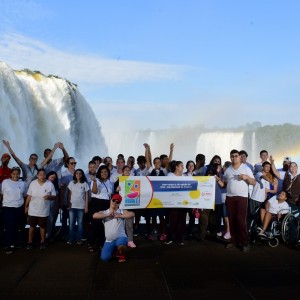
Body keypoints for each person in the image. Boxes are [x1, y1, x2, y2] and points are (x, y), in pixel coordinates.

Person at [217, 150, 256, 252]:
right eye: (232, 156)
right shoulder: (228, 170)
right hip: (230, 197)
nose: (234, 158)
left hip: (242, 197)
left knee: (240, 219)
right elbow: (224, 184)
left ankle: (245, 242)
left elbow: (254, 182)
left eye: (236, 156)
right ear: (230, 158)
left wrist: (246, 177)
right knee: (232, 219)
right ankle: (234, 241)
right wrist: (218, 180)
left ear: (239, 157)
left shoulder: (245, 168)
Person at [93, 194, 135, 263]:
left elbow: (132, 214)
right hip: (109, 240)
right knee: (104, 258)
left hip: (121, 238)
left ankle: (121, 253)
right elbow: (94, 215)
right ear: (111, 200)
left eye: (117, 202)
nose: (115, 203)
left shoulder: (121, 211)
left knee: (121, 244)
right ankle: (115, 251)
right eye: (113, 200)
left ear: (119, 203)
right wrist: (107, 215)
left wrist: (120, 216)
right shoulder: (105, 212)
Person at [25, 169, 56, 250]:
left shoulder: (50, 184)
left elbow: (54, 196)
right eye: (41, 174)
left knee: (43, 227)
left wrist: (49, 197)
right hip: (33, 210)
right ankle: (30, 242)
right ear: (37, 175)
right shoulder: (33, 183)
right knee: (32, 227)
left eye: (44, 174)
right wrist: (26, 206)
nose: (42, 176)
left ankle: (42, 241)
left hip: (44, 210)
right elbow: (29, 196)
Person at [0, 167, 26, 254]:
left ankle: (17, 243)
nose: (15, 175)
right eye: (14, 174)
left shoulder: (22, 183)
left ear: (20, 174)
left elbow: (24, 195)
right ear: (10, 174)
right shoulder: (5, 182)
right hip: (8, 207)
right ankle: (9, 245)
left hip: (19, 207)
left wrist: (25, 207)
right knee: (9, 226)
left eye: (17, 174)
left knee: (19, 226)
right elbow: (1, 194)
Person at [88, 165, 113, 252]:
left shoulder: (110, 183)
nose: (104, 173)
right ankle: (91, 243)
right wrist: (94, 181)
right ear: (99, 173)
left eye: (105, 172)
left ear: (108, 173)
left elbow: (110, 195)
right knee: (95, 224)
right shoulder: (96, 180)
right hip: (96, 203)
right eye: (102, 172)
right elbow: (94, 191)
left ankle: (101, 243)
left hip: (106, 204)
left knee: (103, 225)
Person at [165, 160, 186, 245]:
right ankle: (169, 238)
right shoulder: (170, 175)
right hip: (173, 203)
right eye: (181, 165)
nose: (183, 167)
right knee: (172, 222)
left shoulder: (185, 177)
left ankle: (180, 239)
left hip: (183, 203)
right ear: (176, 167)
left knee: (182, 222)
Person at [114, 165, 136, 248]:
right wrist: (116, 190)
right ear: (122, 172)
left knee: (129, 224)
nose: (127, 171)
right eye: (125, 170)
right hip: (120, 206)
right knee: (120, 225)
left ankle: (130, 241)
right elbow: (114, 195)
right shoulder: (118, 181)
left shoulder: (133, 180)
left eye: (128, 170)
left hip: (130, 206)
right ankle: (121, 241)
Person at [67, 169, 89, 244]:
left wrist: (86, 207)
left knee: (80, 223)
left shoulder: (85, 184)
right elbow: (69, 194)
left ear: (82, 175)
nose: (78, 174)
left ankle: (79, 239)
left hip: (81, 207)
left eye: (80, 173)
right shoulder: (71, 183)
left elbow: (86, 196)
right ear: (75, 174)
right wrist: (68, 204)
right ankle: (71, 239)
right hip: (72, 206)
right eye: (77, 173)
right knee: (71, 223)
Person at [60, 157, 77, 238]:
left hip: (76, 200)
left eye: (74, 163)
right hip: (66, 199)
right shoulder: (63, 174)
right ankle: (64, 232)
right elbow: (61, 188)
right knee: (65, 217)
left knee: (73, 218)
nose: (73, 164)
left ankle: (72, 233)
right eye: (71, 163)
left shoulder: (78, 173)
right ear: (67, 164)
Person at [45, 171, 60, 243]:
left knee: (50, 221)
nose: (53, 179)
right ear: (48, 176)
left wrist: (57, 207)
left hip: (52, 206)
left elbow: (56, 198)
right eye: (52, 177)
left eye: (54, 178)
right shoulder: (44, 184)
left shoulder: (55, 186)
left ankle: (49, 235)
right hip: (43, 206)